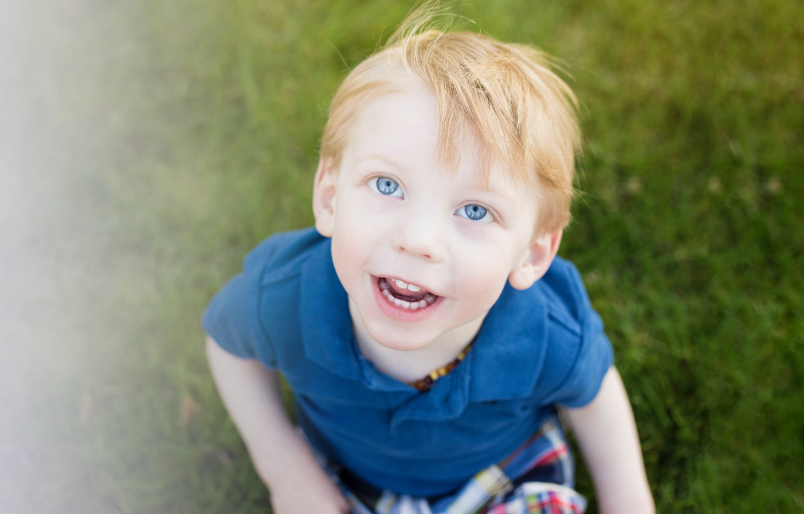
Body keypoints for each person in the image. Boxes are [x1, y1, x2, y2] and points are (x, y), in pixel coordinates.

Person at [201, 5, 655, 514]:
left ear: (531, 254)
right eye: (388, 185)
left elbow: (594, 397)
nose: (418, 239)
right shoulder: (284, 296)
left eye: (475, 210)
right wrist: (284, 466)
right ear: (330, 197)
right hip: (347, 475)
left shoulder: (542, 332)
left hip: (503, 471)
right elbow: (228, 347)